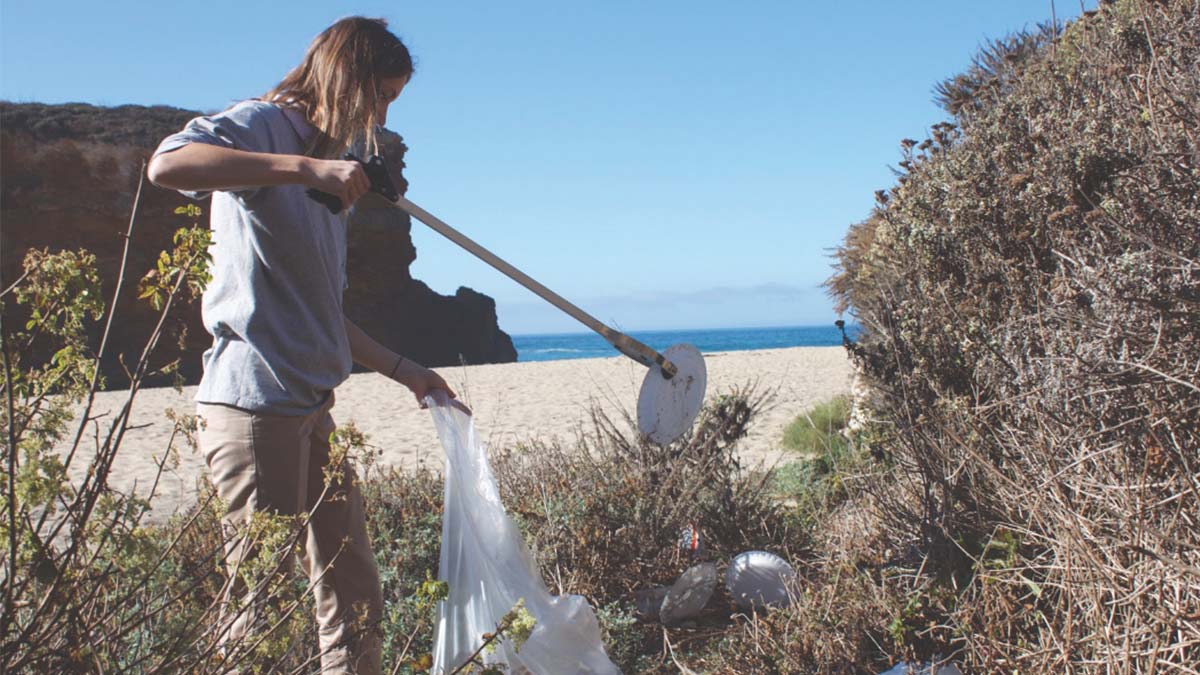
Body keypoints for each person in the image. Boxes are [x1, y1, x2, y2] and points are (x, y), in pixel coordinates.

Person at [148, 16, 455, 675]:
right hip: (257, 403)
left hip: (312, 404)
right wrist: (302, 167)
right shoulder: (265, 126)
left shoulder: (327, 166)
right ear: (346, 77)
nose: (379, 115)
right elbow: (168, 163)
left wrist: (408, 371)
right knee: (260, 605)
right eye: (380, 96)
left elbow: (322, 312)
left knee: (353, 591)